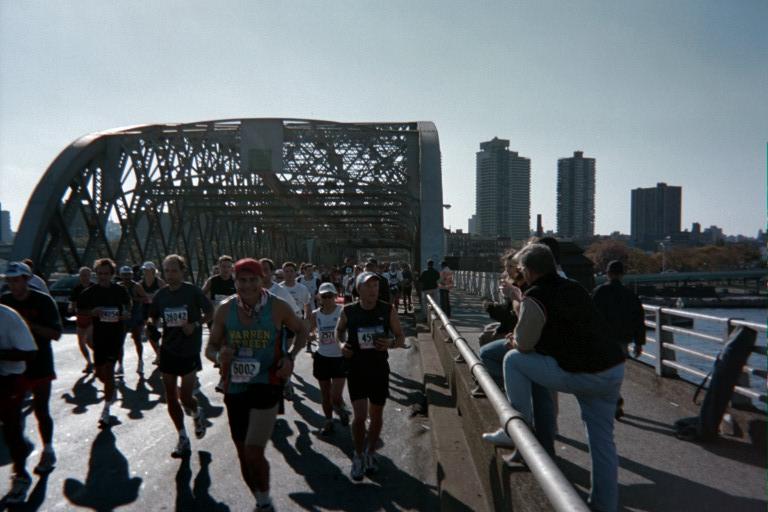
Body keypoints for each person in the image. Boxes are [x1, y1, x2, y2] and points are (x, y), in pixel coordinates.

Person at [484, 244, 625, 512]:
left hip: (579, 373)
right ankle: (604, 505)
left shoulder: (536, 296)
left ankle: (517, 425)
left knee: (513, 360)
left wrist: (515, 336)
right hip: (611, 370)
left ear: (527, 270)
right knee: (602, 441)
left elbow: (523, 345)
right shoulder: (574, 288)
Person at [205, 258, 307, 512]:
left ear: (262, 280)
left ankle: (264, 502)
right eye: (242, 280)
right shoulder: (226, 310)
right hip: (235, 386)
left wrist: (290, 357)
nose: (247, 286)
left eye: (253, 280)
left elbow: (302, 330)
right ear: (235, 281)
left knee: (253, 450)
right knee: (242, 454)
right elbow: (210, 347)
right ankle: (262, 499)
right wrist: (219, 357)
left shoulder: (278, 307)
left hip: (267, 382)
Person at [336, 271, 405, 482]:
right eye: (368, 286)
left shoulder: (387, 309)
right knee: (359, 417)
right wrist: (341, 345)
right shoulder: (348, 310)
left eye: (375, 286)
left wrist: (391, 343)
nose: (373, 290)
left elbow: (401, 337)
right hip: (356, 368)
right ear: (358, 289)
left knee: (376, 416)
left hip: (378, 369)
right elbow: (339, 332)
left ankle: (370, 453)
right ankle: (357, 455)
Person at [148, 254, 213, 458]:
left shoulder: (192, 291)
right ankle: (182, 436)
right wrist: (153, 325)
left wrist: (195, 324)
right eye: (167, 271)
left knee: (185, 396)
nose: (170, 274)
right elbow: (153, 316)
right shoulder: (161, 295)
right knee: (170, 395)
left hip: (189, 349)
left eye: (174, 270)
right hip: (168, 349)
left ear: (182, 271)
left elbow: (210, 312)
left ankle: (196, 412)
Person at [1, 261, 62, 476]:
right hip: (12, 367)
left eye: (16, 280)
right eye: (9, 281)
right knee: (12, 416)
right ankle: (20, 462)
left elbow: (56, 334)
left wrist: (27, 325)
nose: (13, 285)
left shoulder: (43, 301)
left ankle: (48, 448)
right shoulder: (4, 302)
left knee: (41, 409)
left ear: (27, 280)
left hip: (39, 363)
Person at [73, 258, 132, 426]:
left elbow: (128, 305)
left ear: (112, 275)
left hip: (115, 335)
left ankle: (106, 410)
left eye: (106, 274)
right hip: (98, 335)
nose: (103, 277)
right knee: (100, 374)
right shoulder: (91, 292)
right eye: (99, 274)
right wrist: (92, 311)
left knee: (109, 369)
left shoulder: (119, 290)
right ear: (96, 274)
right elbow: (79, 308)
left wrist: (126, 313)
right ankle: (110, 389)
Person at [592, 260, 646, 419]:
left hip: (602, 340)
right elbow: (638, 320)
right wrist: (639, 342)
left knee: (602, 372)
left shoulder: (599, 292)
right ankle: (615, 400)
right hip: (622, 339)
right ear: (622, 275)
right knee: (617, 373)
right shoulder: (630, 295)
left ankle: (612, 400)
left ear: (607, 274)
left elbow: (590, 316)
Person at [0, 304, 38, 505]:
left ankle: (21, 474)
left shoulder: (8, 316)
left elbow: (30, 352)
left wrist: (2, 354)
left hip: (9, 378)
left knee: (11, 429)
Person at [308, 282, 350, 434]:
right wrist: (310, 335)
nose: (327, 299)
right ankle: (329, 420)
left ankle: (341, 408)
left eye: (330, 296)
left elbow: (351, 330)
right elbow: (310, 331)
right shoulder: (315, 314)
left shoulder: (343, 311)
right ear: (319, 297)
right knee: (325, 394)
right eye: (324, 296)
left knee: (335, 395)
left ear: (335, 296)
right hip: (322, 357)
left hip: (339, 358)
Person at [119, 266, 149, 374]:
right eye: (124, 275)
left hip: (136, 316)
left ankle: (140, 361)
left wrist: (134, 299)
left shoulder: (136, 286)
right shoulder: (119, 287)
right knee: (119, 342)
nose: (126, 277)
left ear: (131, 275)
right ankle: (120, 365)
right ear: (120, 275)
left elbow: (146, 299)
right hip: (123, 317)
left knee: (137, 340)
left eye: (128, 274)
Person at [69, 266, 94, 373]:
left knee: (89, 341)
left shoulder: (94, 287)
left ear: (90, 276)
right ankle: (89, 362)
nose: (84, 277)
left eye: (86, 275)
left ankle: (99, 359)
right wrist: (71, 308)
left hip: (92, 317)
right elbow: (73, 302)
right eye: (82, 275)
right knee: (81, 342)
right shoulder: (77, 288)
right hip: (80, 316)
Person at [139, 261, 165, 364]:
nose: (146, 272)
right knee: (150, 332)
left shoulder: (159, 282)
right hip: (146, 310)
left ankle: (159, 355)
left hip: (156, 310)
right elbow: (135, 297)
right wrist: (144, 298)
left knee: (150, 330)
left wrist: (156, 298)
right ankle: (159, 354)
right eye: (144, 270)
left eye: (148, 270)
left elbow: (168, 293)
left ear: (153, 271)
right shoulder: (141, 283)